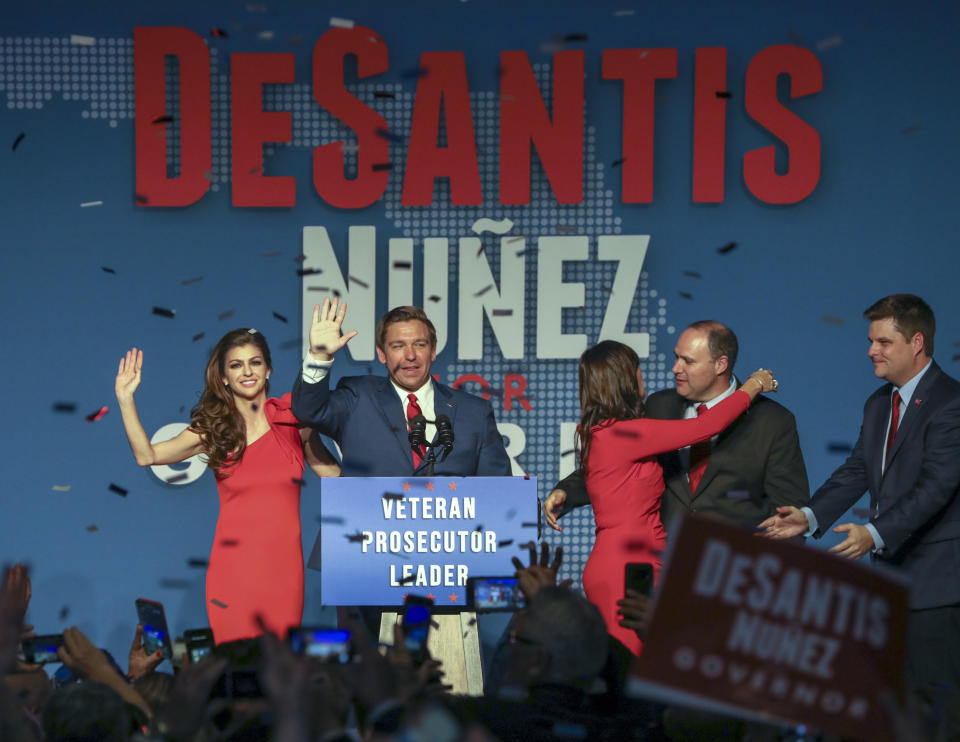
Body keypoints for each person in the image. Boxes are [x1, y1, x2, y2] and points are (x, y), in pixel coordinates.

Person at [759, 294, 960, 696]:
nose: (871, 351)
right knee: (887, 711)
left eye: (883, 342)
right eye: (871, 341)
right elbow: (857, 470)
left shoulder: (951, 404)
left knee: (936, 713)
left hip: (937, 589)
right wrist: (810, 515)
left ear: (916, 342)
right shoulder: (877, 404)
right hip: (885, 588)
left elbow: (937, 486)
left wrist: (874, 532)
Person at [114, 329, 341, 643]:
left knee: (278, 670)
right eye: (236, 365)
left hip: (284, 574)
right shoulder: (214, 431)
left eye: (255, 362)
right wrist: (126, 400)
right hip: (233, 574)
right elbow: (147, 455)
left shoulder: (292, 420)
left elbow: (336, 479)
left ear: (268, 369)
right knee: (235, 671)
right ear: (223, 377)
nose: (247, 372)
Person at [574, 340, 777, 654]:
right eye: (637, 371)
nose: (643, 377)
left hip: (624, 563)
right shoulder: (627, 435)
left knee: (637, 673)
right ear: (624, 379)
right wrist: (753, 384)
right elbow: (708, 425)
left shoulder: (602, 433)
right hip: (627, 569)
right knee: (633, 677)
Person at [292, 298, 511, 568]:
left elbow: (500, 491)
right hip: (364, 562)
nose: (410, 355)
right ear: (382, 354)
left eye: (420, 344)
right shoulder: (357, 396)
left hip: (449, 567)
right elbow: (306, 411)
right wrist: (319, 357)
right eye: (398, 346)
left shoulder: (473, 412)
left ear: (433, 350)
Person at [545, 321, 809, 535]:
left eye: (688, 361)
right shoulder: (658, 406)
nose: (675, 368)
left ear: (721, 364)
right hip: (660, 571)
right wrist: (566, 491)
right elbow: (612, 466)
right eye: (676, 358)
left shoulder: (772, 421)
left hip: (731, 578)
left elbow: (788, 516)